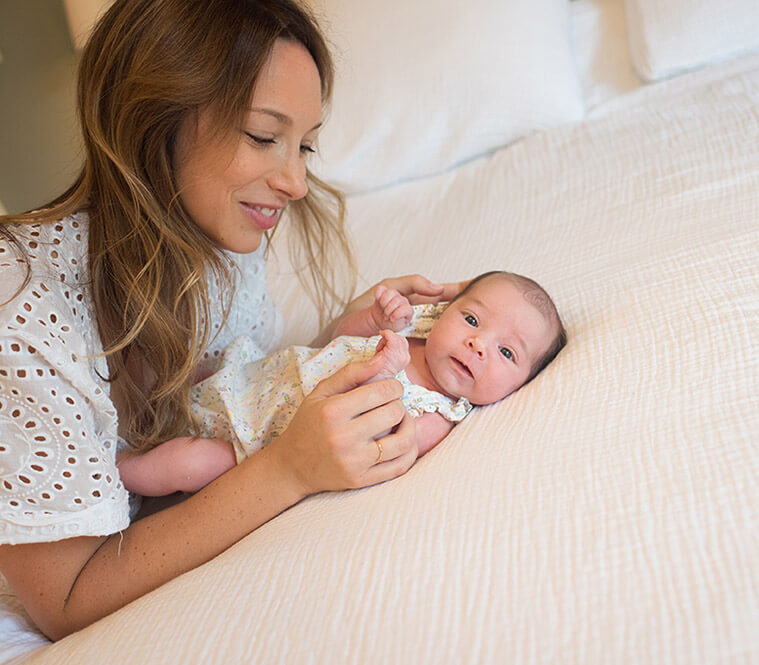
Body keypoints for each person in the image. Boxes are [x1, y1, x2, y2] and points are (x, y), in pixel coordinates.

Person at [0, 0, 460, 641]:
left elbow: (219, 391)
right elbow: (67, 600)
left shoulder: (217, 234)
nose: (297, 182)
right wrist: (289, 470)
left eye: (304, 145)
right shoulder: (23, 313)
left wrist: (334, 347)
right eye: (264, 136)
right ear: (152, 117)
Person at [117, 271, 568, 496]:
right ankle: (127, 408)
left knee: (186, 466)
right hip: (262, 378)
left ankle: (113, 474)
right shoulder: (416, 326)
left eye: (507, 353)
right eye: (472, 319)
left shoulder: (436, 417)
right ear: (447, 309)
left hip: (259, 437)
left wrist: (384, 369)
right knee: (180, 376)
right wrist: (373, 319)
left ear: (521, 385)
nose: (477, 344)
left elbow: (380, 443)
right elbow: (339, 340)